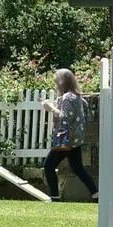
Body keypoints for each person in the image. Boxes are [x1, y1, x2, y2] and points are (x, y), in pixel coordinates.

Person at [40, 68, 98, 202]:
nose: (55, 85)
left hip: (65, 138)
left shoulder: (67, 97)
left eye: (56, 82)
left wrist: (51, 108)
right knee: (78, 168)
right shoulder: (78, 97)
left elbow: (64, 118)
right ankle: (96, 195)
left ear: (62, 82)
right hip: (77, 139)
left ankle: (55, 197)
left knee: (48, 166)